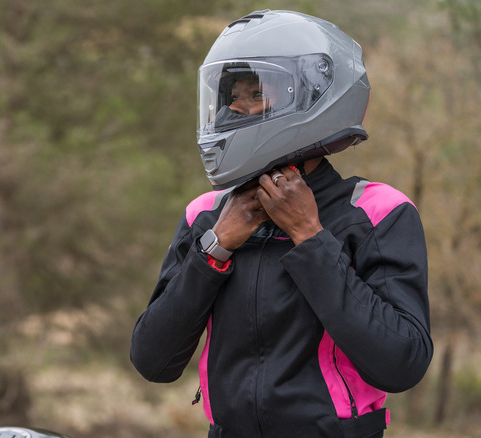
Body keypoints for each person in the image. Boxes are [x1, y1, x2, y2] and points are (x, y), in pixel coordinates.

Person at [130, 9, 433, 438]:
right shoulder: (205, 215)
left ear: (311, 95)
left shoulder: (376, 211)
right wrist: (215, 246)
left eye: (256, 93)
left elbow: (402, 363)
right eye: (231, 95)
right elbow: (153, 361)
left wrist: (310, 238)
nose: (235, 107)